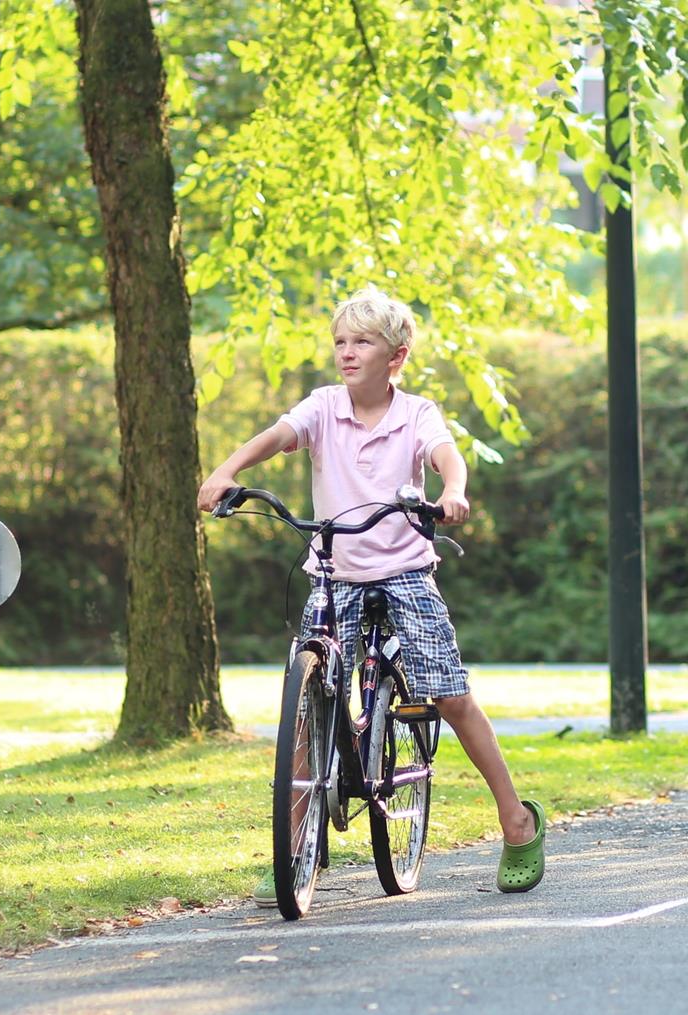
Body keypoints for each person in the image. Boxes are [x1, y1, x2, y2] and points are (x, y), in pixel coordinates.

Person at [197, 286, 545, 904]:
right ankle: (296, 838)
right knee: (310, 690)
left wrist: (455, 490)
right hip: (335, 571)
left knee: (449, 695)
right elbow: (276, 437)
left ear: (396, 357)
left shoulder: (416, 413)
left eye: (363, 342)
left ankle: (515, 819)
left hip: (405, 570)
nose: (347, 353)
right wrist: (228, 472)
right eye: (340, 342)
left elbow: (445, 457)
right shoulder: (323, 407)